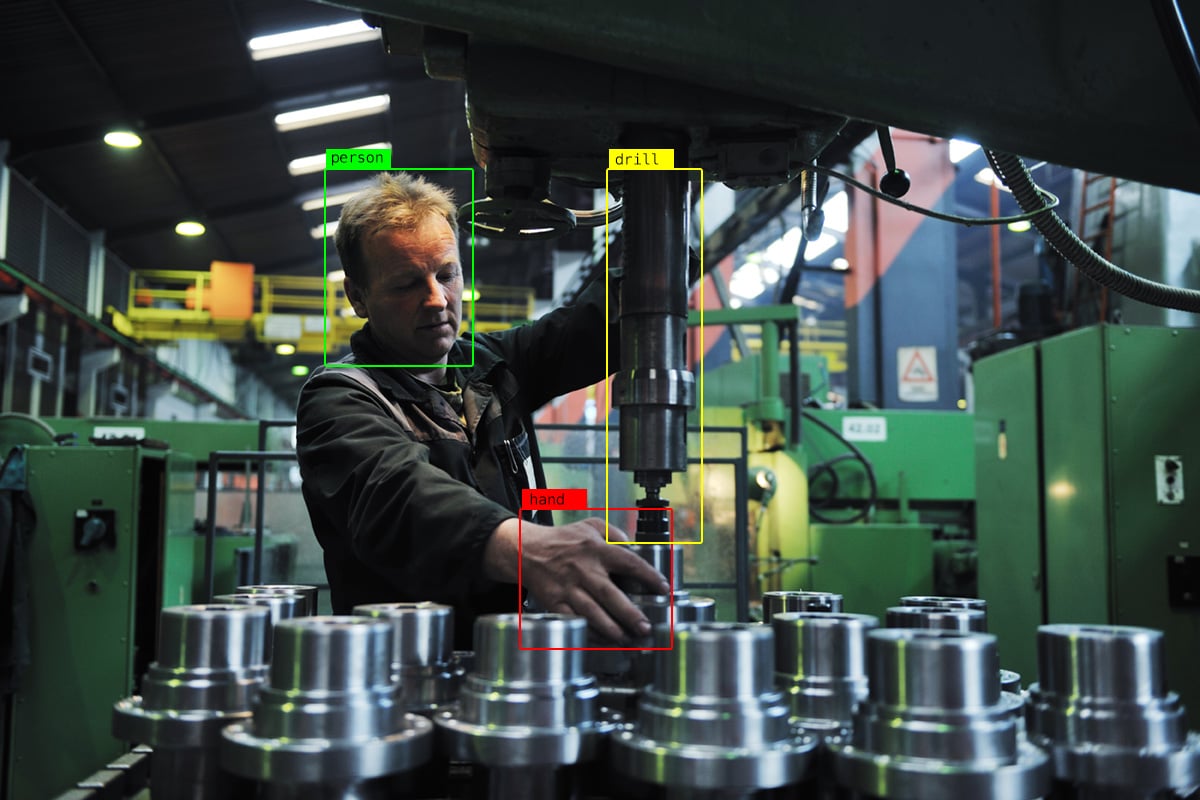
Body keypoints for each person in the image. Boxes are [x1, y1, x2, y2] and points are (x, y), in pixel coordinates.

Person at [295, 172, 669, 649]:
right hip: (404, 672)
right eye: (407, 284)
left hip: (519, 659)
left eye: (446, 274)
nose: (436, 299)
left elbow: (596, 326)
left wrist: (659, 211)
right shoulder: (339, 399)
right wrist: (531, 549)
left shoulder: (494, 368)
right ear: (358, 297)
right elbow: (398, 497)